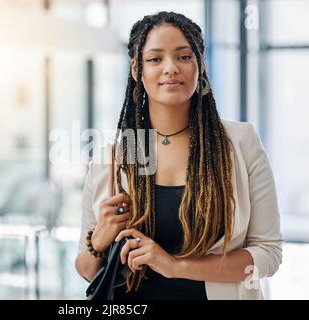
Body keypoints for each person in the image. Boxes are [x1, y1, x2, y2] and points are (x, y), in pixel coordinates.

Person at [75, 11, 282, 300]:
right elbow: (87, 269)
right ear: (137, 70)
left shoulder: (239, 142)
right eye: (155, 59)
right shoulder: (119, 154)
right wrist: (99, 239)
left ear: (200, 65)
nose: (170, 68)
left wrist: (175, 266)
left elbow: (268, 254)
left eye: (184, 57)